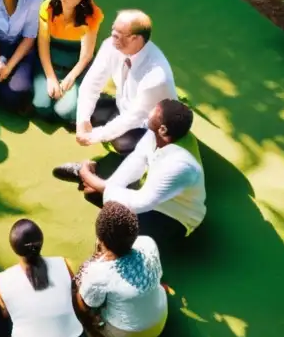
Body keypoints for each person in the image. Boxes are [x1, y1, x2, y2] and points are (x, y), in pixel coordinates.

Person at [57, 99, 206, 242]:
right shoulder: (161, 133)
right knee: (93, 193)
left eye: (154, 111)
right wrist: (107, 184)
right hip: (153, 198)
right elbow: (137, 159)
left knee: (114, 222)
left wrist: (90, 178)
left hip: (175, 216)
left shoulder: (180, 165)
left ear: (163, 129)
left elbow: (142, 202)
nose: (150, 112)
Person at [0, 219, 87, 337]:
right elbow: (73, 295)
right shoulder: (63, 264)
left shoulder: (0, 281)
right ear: (41, 242)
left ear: (14, 248)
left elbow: (6, 314)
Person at [72, 9, 177, 155]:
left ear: (135, 39)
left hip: (147, 124)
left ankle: (147, 152)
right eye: (112, 30)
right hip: (122, 106)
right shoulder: (110, 45)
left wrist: (94, 136)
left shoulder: (157, 76)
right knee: (79, 111)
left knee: (122, 143)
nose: (112, 36)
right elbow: (91, 83)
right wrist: (82, 121)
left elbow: (134, 117)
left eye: (117, 34)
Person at [74, 202, 168, 337]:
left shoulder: (98, 272)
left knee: (79, 295)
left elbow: (87, 306)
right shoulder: (148, 243)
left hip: (127, 336)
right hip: (160, 320)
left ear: (101, 240)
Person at [33, 0, 103, 123]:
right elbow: (43, 48)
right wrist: (51, 78)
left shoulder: (92, 16)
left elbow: (86, 56)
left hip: (75, 68)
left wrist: (68, 80)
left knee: (65, 111)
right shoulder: (48, 8)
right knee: (41, 106)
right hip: (50, 63)